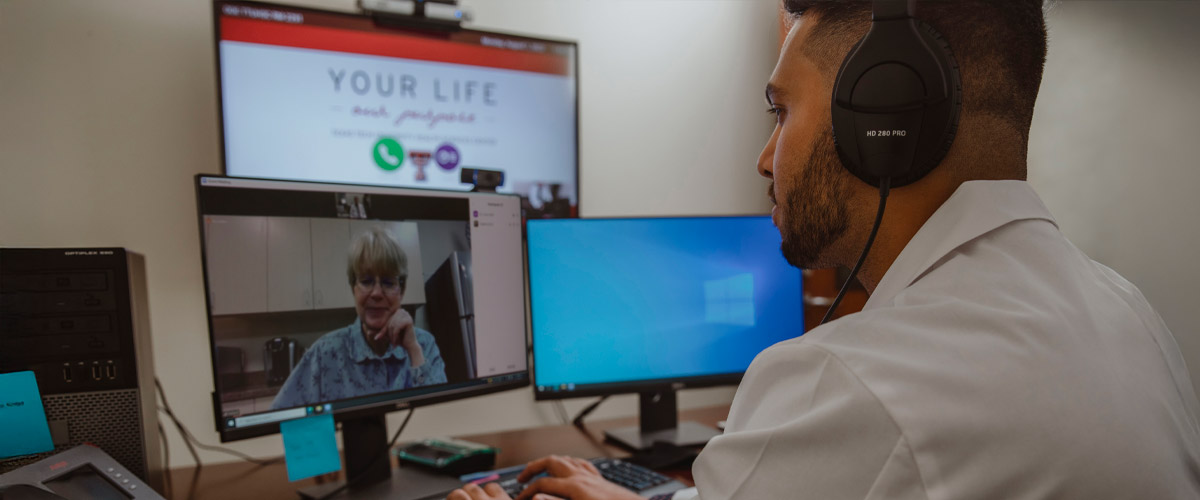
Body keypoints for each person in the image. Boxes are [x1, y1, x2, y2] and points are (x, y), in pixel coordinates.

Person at [449, 1, 1200, 499]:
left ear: (885, 120)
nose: (765, 158)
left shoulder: (846, 381)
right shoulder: (1128, 312)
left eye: (781, 111)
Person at [271, 227, 447, 410]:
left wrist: (414, 351)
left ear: (401, 291)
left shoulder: (424, 345)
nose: (377, 293)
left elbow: (443, 416)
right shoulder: (323, 354)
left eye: (388, 282)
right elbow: (278, 420)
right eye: (366, 281)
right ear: (353, 288)